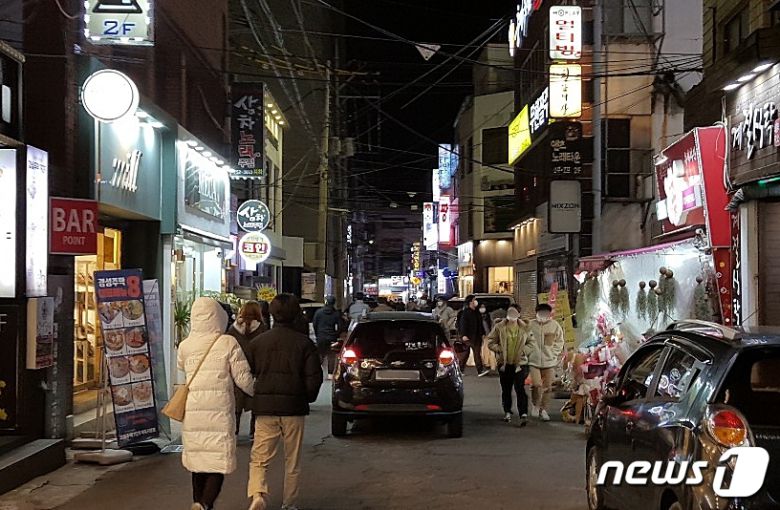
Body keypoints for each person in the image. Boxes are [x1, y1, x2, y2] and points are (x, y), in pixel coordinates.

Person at [245, 294, 324, 510]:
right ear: (296, 314)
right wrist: (305, 397)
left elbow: (248, 374)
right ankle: (289, 504)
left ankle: (258, 494)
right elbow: (314, 379)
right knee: (292, 460)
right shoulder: (304, 344)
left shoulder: (258, 343)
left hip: (265, 408)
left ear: (271, 314)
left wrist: (256, 394)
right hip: (294, 408)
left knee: (260, 456)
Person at [177, 297, 254, 510]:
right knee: (216, 462)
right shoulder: (227, 342)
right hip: (219, 410)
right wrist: (257, 392)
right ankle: (205, 504)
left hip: (193, 409)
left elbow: (182, 367)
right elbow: (243, 378)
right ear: (218, 317)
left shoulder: (185, 345)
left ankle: (197, 502)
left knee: (198, 461)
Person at [226, 301, 268, 436]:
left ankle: (234, 431)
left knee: (235, 404)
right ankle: (254, 432)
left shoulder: (232, 330)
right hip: (256, 371)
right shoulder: (262, 329)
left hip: (235, 371)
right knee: (255, 402)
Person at [487, 307, 532, 425]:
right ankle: (507, 411)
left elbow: (531, 343)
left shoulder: (525, 327)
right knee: (506, 389)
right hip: (504, 363)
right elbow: (491, 341)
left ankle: (523, 413)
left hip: (520, 363)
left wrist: (524, 351)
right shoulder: (499, 327)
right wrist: (499, 349)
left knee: (520, 388)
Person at [527, 303, 565, 422]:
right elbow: (524, 340)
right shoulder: (530, 324)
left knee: (548, 387)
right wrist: (528, 352)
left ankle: (543, 409)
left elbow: (560, 341)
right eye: (541, 313)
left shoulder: (555, 325)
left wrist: (553, 353)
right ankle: (535, 405)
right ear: (536, 313)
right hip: (533, 360)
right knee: (536, 384)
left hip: (549, 362)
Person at [458, 295, 489, 377]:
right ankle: (480, 370)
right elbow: (463, 324)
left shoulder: (476, 312)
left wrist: (482, 333)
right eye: (474, 300)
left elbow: (480, 324)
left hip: (476, 336)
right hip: (469, 336)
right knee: (474, 353)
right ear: (470, 302)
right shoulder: (466, 313)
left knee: (468, 353)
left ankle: (460, 370)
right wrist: (464, 335)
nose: (475, 302)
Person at [312, 296, 341, 361]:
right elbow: (340, 326)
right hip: (332, 338)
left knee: (320, 356)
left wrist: (318, 334)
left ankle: (320, 369)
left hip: (321, 337)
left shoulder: (318, 312)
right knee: (331, 356)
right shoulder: (336, 313)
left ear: (326, 302)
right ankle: (330, 370)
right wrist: (336, 335)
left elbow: (315, 324)